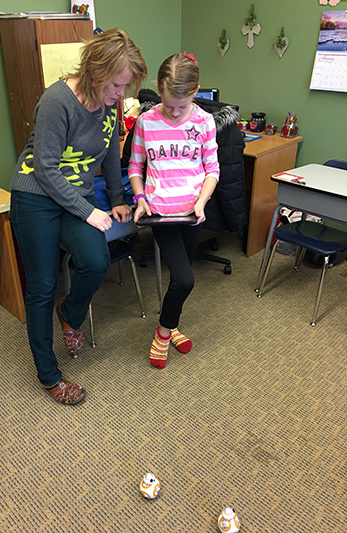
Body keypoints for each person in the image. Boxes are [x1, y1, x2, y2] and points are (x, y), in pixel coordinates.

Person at [10, 29, 147, 404]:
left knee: (95, 259)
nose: (122, 95)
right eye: (117, 85)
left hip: (76, 197)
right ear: (95, 72)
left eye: (125, 87)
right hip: (35, 196)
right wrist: (89, 212)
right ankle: (49, 376)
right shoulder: (57, 101)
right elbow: (45, 168)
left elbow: (108, 153)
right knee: (41, 286)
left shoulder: (110, 103)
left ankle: (70, 314)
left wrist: (117, 199)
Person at [128, 52, 220, 369]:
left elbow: (212, 170)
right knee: (185, 279)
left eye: (181, 106)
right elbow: (135, 167)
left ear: (194, 93)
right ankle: (163, 333)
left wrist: (201, 201)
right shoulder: (146, 121)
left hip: (192, 213)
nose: (174, 111)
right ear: (159, 89)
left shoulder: (205, 122)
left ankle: (173, 323)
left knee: (180, 280)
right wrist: (140, 197)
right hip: (161, 213)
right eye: (168, 105)